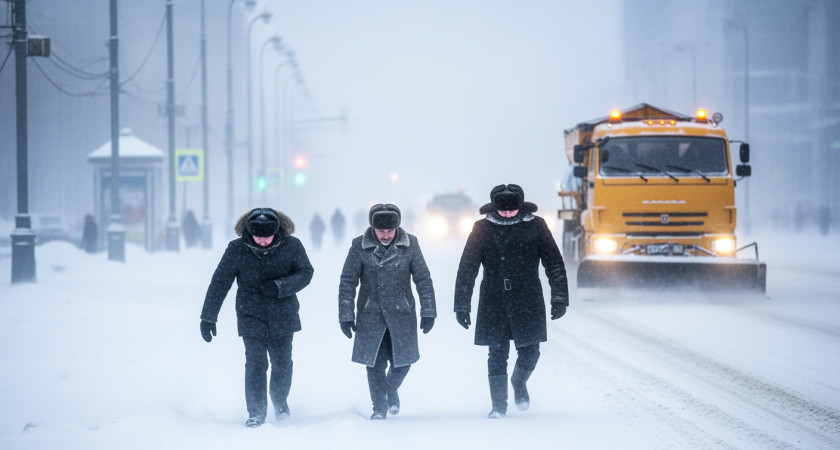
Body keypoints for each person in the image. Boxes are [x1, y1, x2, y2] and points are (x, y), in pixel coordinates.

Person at [454, 184, 569, 418]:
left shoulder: (536, 226)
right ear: (494, 207)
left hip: (527, 297)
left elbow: (554, 263)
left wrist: (559, 297)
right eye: (502, 210)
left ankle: (518, 382)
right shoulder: (482, 228)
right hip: (493, 298)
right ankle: (498, 406)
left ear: (520, 206)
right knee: (497, 353)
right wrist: (462, 305)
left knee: (530, 352)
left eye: (512, 210)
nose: (507, 214)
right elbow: (467, 268)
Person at [199, 208, 314, 428]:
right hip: (250, 313)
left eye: (267, 237)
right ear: (249, 232)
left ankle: (280, 402)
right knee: (255, 363)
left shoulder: (292, 245)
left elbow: (306, 272)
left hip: (284, 314)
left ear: (277, 231)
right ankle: (256, 412)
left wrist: (280, 286)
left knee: (282, 363)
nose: (262, 242)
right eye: (257, 237)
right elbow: (220, 282)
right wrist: (208, 317)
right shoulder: (236, 249)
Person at [338, 204, 436, 420]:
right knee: (374, 364)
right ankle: (379, 409)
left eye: (389, 231)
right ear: (372, 228)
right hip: (370, 314)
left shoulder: (410, 244)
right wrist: (346, 315)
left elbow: (423, 278)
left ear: (397, 228)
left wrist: (429, 311)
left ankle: (389, 389)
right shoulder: (359, 246)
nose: (385, 235)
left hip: (402, 313)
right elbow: (348, 281)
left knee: (404, 362)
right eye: (380, 231)